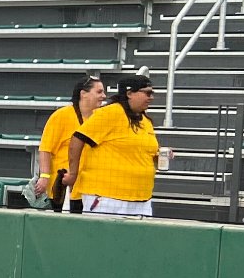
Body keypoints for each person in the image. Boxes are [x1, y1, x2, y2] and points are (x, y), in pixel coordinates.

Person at [67, 74, 161, 217]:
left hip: (141, 198)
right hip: (107, 197)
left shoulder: (145, 121)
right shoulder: (110, 113)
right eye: (147, 93)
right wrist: (73, 173)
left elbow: (145, 155)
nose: (151, 97)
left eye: (152, 93)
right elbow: (78, 139)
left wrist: (161, 156)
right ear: (129, 93)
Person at [35, 75, 105, 213]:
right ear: (83, 94)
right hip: (63, 187)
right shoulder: (62, 115)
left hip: (90, 188)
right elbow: (45, 148)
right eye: (99, 92)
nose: (104, 96)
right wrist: (44, 176)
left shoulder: (102, 117)